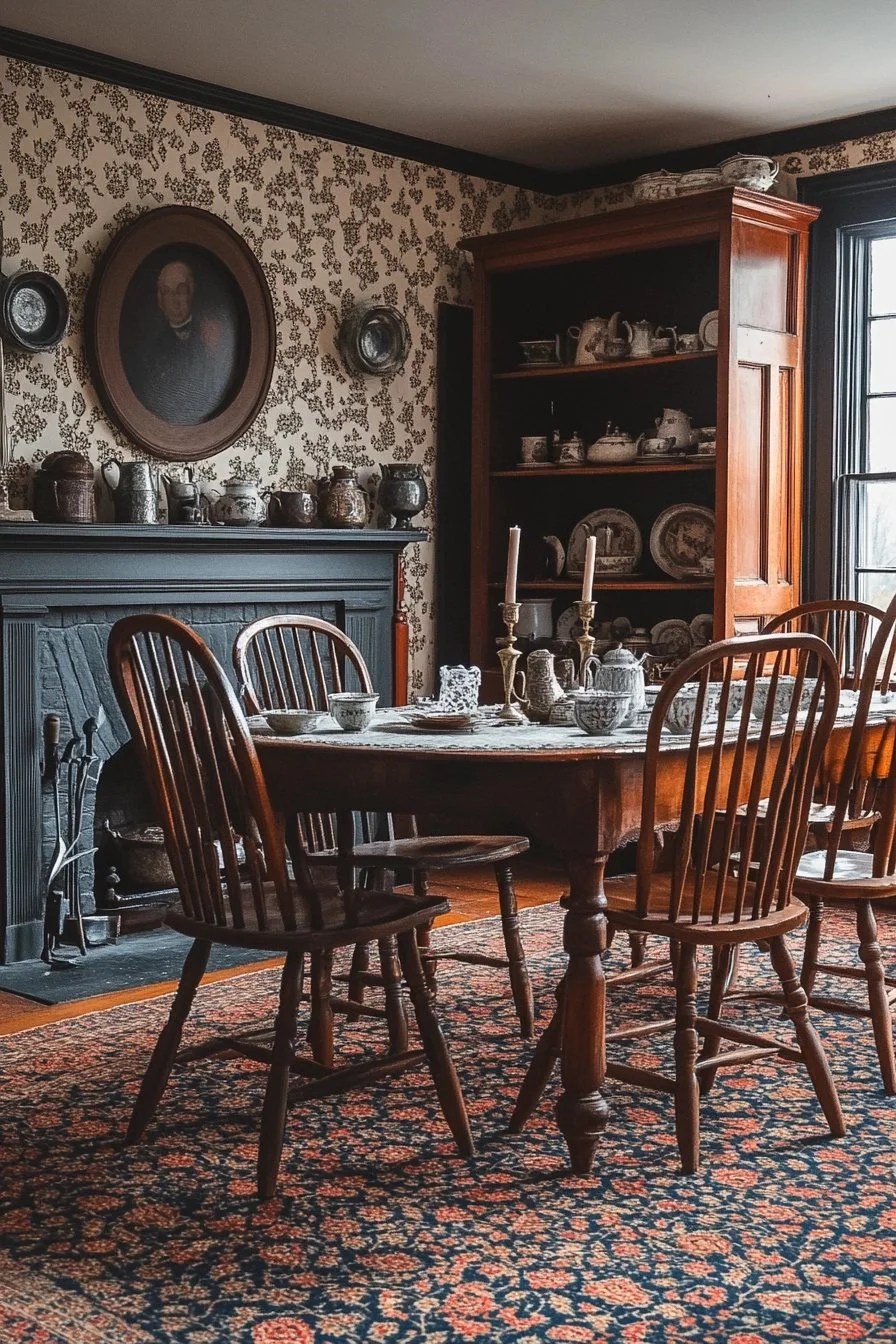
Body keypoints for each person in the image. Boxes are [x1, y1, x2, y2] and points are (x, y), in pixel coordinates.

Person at [128, 260, 232, 425]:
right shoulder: (154, 350)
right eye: (167, 292)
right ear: (160, 301)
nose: (174, 299)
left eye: (181, 290)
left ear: (191, 293)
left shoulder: (212, 336)